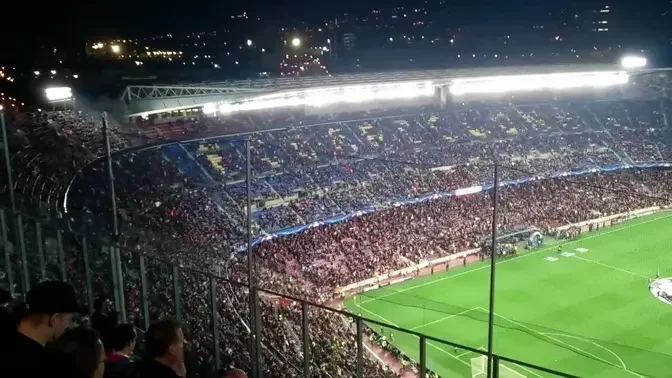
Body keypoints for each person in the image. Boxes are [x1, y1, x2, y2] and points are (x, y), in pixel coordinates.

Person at [0, 280, 88, 378]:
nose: (69, 325)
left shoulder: (6, 344)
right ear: (54, 320)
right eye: (70, 319)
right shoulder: (42, 365)